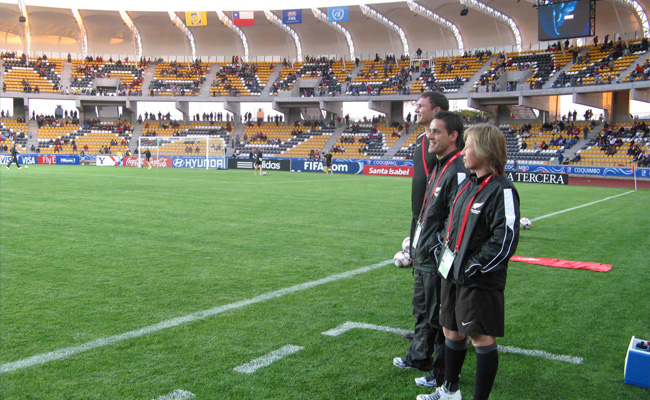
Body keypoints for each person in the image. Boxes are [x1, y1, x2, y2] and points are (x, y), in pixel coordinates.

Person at [417, 123, 520, 400]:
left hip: (479, 279)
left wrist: (474, 265)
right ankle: (450, 390)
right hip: (452, 274)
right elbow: (449, 224)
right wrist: (442, 249)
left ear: (485, 150)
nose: (463, 152)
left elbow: (505, 239)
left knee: (481, 338)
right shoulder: (468, 185)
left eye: (469, 145)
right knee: (451, 330)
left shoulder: (502, 190)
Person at [394, 111, 469, 390]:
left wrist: (438, 247)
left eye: (437, 131)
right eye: (430, 131)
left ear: (453, 136)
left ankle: (439, 372)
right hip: (424, 254)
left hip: (437, 257)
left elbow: (455, 216)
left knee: (439, 315)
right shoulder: (439, 164)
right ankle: (419, 357)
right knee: (422, 309)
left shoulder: (458, 168)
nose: (430, 135)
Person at [403, 92, 450, 342]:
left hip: (437, 221)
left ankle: (440, 332)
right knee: (420, 276)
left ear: (438, 110)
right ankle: (424, 329)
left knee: (436, 280)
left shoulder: (451, 141)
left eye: (421, 106)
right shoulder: (422, 139)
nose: (417, 109)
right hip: (418, 218)